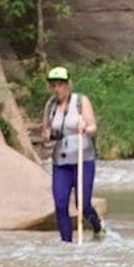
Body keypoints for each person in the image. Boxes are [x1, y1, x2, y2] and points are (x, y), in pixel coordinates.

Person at [41, 65, 102, 242]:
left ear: (68, 84)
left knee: (82, 205)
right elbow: (46, 131)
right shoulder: (50, 106)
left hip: (83, 158)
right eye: (53, 85)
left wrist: (85, 129)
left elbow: (93, 127)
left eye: (60, 84)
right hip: (61, 161)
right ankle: (66, 243)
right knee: (60, 204)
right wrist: (46, 135)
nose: (57, 89)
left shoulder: (80, 101)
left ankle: (97, 227)